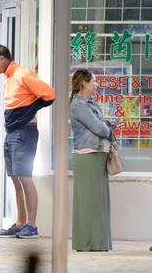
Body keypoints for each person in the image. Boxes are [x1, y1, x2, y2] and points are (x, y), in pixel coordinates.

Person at [0, 45, 55, 239]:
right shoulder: (9, 78)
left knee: (25, 177)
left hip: (25, 133)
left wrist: (29, 111)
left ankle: (32, 226)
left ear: (3, 59)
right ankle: (20, 223)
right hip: (12, 133)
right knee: (15, 179)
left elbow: (49, 94)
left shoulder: (23, 74)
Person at [70, 69, 113, 251]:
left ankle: (98, 242)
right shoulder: (79, 105)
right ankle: (89, 243)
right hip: (88, 156)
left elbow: (100, 125)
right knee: (89, 203)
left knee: (98, 202)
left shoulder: (89, 103)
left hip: (96, 155)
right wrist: (109, 130)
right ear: (84, 83)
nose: (96, 84)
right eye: (93, 81)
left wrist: (106, 127)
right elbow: (99, 128)